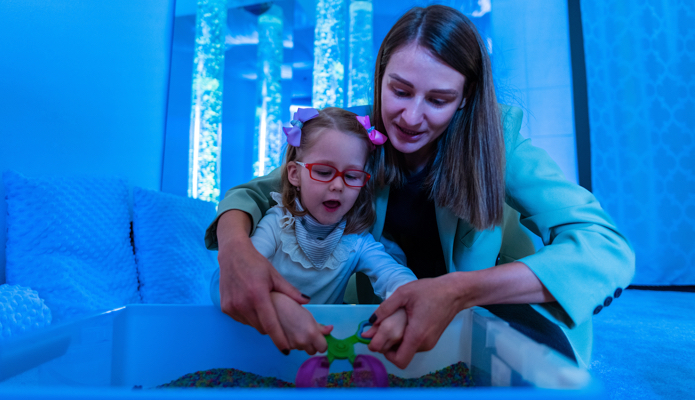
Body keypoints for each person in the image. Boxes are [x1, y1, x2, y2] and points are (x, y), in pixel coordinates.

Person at [205, 5, 635, 369]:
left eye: (438, 100)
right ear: (380, 76)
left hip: (492, 310)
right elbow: (256, 194)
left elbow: (606, 249)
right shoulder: (355, 133)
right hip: (388, 315)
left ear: (465, 97)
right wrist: (236, 252)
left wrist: (459, 291)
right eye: (400, 90)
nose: (411, 118)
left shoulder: (498, 140)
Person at [209, 107, 417, 356]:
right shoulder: (277, 225)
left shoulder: (357, 242)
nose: (338, 185)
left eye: (351, 176)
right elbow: (225, 283)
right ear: (295, 174)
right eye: (323, 172)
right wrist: (274, 302)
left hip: (316, 356)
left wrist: (403, 309)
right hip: (253, 347)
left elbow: (395, 276)